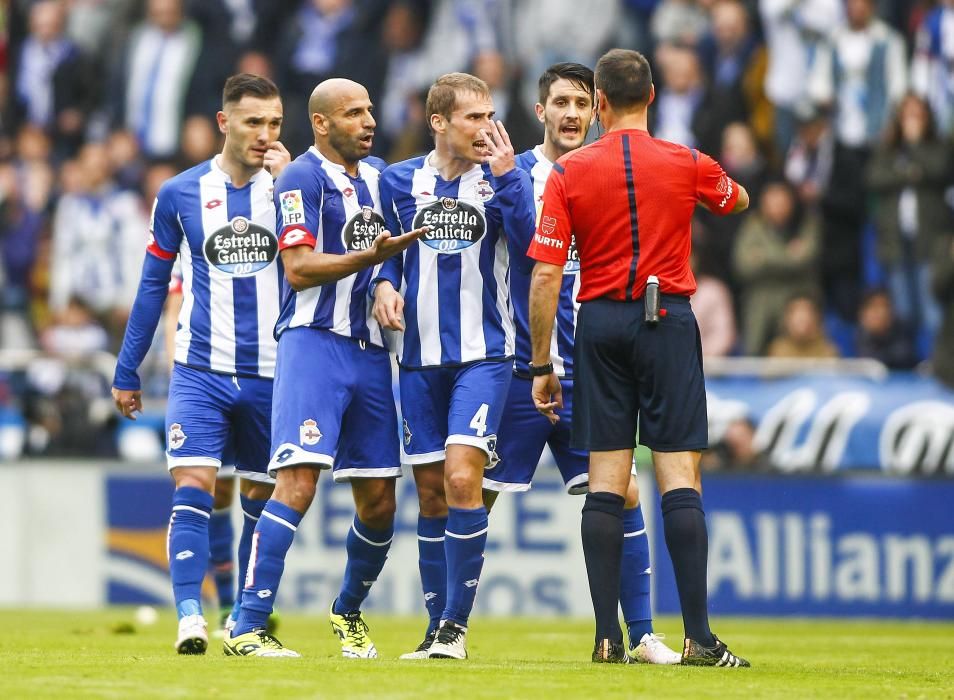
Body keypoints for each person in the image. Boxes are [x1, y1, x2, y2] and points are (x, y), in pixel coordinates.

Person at [527, 49, 751, 666]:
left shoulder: (568, 174)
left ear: (598, 102)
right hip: (667, 319)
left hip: (598, 323)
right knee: (679, 477)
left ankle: (606, 639)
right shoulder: (685, 161)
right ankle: (699, 638)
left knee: (606, 480)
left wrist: (542, 364)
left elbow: (547, 275)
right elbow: (737, 200)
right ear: (651, 97)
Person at [485, 62, 680, 664]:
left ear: (596, 109)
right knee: (469, 492)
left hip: (590, 367)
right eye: (558, 103)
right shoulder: (509, 173)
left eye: (580, 102)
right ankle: (448, 630)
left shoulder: (608, 174)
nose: (570, 114)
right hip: (520, 368)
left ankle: (642, 632)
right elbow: (509, 254)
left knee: (621, 492)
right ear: (539, 111)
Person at [225, 78, 425, 659]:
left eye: (369, 110)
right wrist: (374, 259)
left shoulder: (380, 178)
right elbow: (298, 267)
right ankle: (247, 624)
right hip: (313, 344)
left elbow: (396, 253)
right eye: (353, 113)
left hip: (368, 354)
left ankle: (347, 610)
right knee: (297, 482)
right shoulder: (301, 179)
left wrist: (386, 282)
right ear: (321, 123)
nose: (368, 121)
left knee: (381, 500)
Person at [112, 73, 290, 655]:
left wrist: (294, 188)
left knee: (259, 503)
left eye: (274, 124)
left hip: (274, 370)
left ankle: (243, 619)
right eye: (253, 122)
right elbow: (151, 284)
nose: (265, 135)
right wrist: (128, 367)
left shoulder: (294, 188)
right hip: (200, 370)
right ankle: (191, 616)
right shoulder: (181, 193)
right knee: (193, 487)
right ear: (223, 123)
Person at [372, 72, 535, 660]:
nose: (486, 128)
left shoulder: (500, 180)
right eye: (473, 117)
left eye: (490, 115)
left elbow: (530, 243)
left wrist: (509, 177)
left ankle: (454, 631)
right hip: (417, 360)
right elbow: (387, 254)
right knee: (433, 495)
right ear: (437, 121)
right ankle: (436, 623)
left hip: (484, 357)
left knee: (464, 478)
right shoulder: (398, 180)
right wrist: (384, 286)